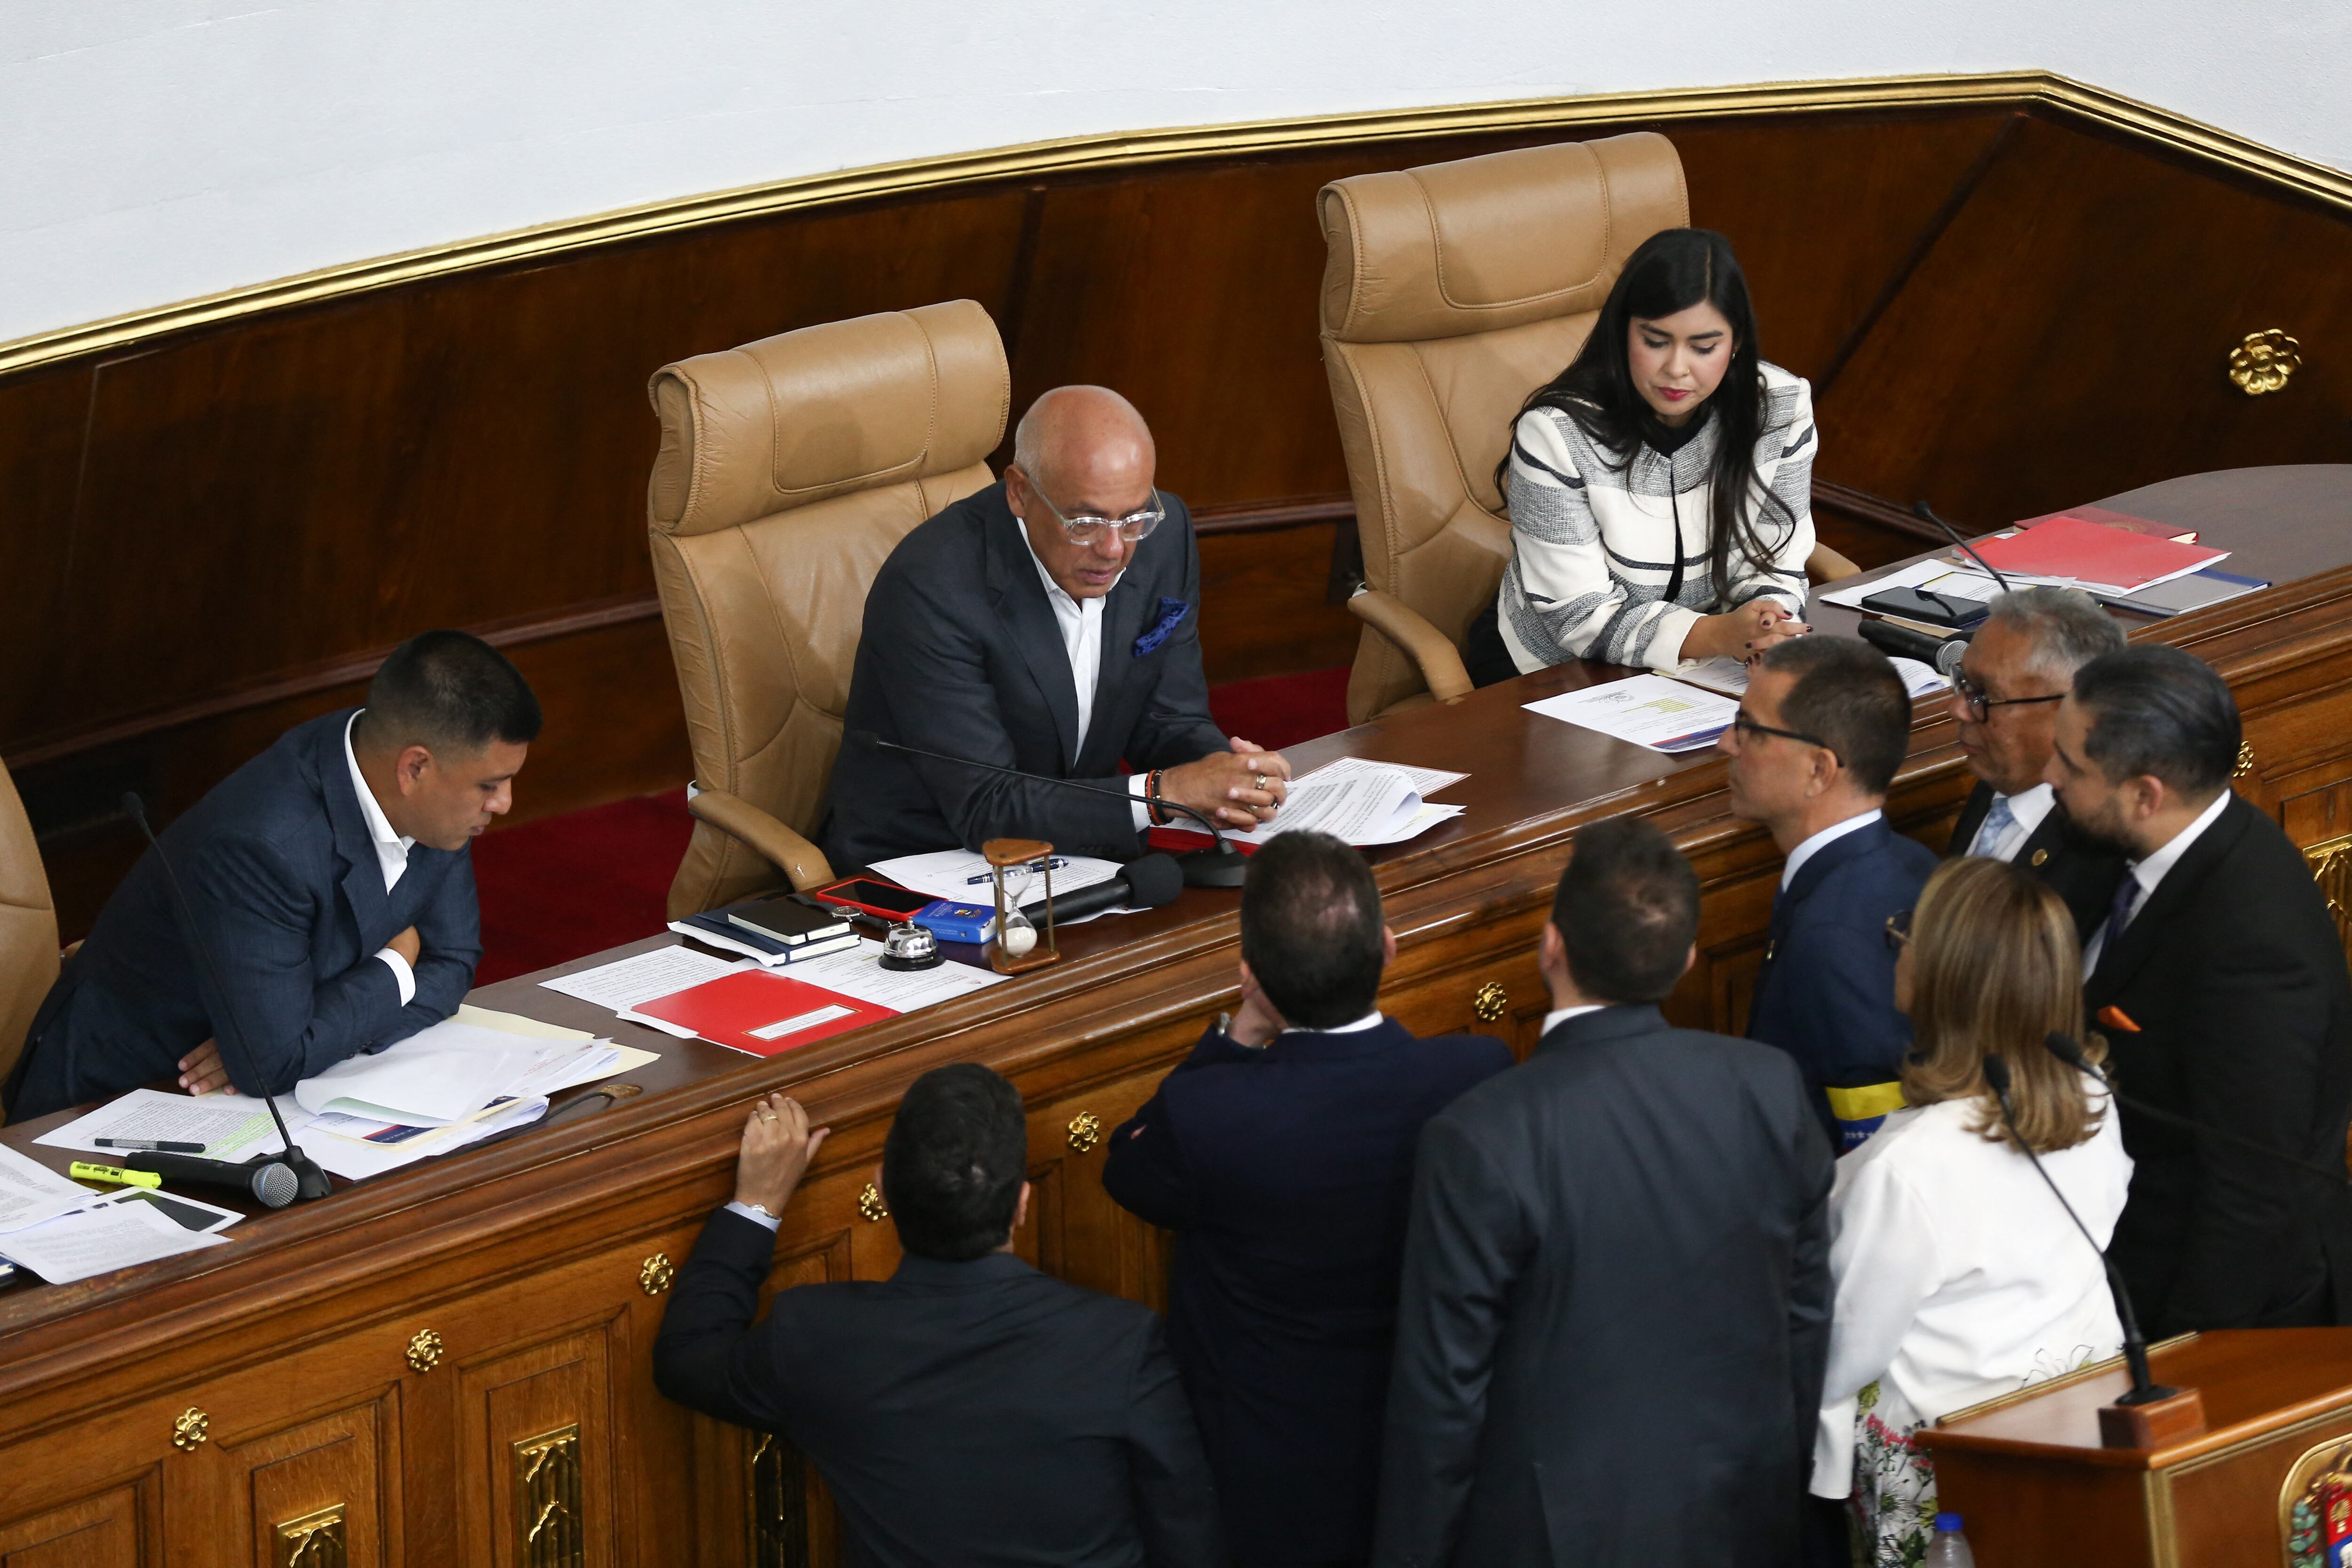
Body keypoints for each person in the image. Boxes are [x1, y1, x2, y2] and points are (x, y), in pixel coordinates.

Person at [1373, 817, 1832, 1567]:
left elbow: (1443, 1395)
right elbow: (1807, 1311)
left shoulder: (1479, 1135)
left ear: (1550, 946)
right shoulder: (1767, 1086)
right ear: (1688, 958)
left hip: (1555, 1535)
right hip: (1744, 1506)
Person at [1102, 830, 1511, 1568]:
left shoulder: (1212, 1115)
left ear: (1252, 974)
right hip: (1437, 1446)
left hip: (1272, 1476)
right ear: (1387, 949)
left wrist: (1237, 1033)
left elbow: (1128, 1168)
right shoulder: (1475, 1074)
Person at [652, 1065, 1223, 1568]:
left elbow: (687, 1359)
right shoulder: (1118, 1341)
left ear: (883, 1192)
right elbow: (1188, 1539)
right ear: (1022, 1204)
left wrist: (757, 1205)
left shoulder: (816, 1335)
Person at [5, 630, 534, 1122]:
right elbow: (273, 1064)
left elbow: (454, 965)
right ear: (414, 768)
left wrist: (315, 1032)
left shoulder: (420, 791)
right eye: (491, 785)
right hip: (123, 1098)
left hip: (259, 1089)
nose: (504, 803)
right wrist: (399, 963)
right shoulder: (263, 844)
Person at [1810, 856, 2130, 1566]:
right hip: (2081, 1434)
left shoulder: (1910, 1167)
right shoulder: (2092, 1095)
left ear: (1948, 976)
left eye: (1908, 933)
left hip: (1952, 1475)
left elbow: (1847, 1348)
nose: (1896, 941)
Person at [824, 385, 1290, 869]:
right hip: (929, 865)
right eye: (1085, 521)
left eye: (1133, 518)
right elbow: (986, 803)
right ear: (1020, 492)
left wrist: (1228, 777)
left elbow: (1169, 718)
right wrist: (1160, 793)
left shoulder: (1162, 535)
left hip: (1081, 851)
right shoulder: (931, 586)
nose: (1114, 549)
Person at [2045, 644, 2352, 1335]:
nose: (2049, 776)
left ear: (2145, 793)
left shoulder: (2251, 947)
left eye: (2069, 763)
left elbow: (2250, 1192)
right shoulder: (2131, 843)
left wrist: (2181, 1365)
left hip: (2218, 1306)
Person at [1466, 226, 1818, 686]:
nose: (1676, 368)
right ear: (1622, 332)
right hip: (1555, 668)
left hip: (1704, 665)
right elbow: (1579, 617)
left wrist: (1766, 624)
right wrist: (1718, 635)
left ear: (1735, 344)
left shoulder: (1779, 406)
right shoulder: (1557, 431)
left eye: (1703, 347)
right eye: (1655, 341)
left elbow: (1774, 559)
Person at [1724, 636, 1937, 1148]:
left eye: (1748, 730)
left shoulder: (1833, 939)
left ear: (1818, 770)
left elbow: (1872, 1145)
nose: (1725, 745)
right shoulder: (1911, 863)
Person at [1945, 586, 2127, 940]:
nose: (1958, 708)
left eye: (1984, 694)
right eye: (1964, 683)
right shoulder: (1999, 776)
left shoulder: (2103, 852)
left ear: (2068, 709)